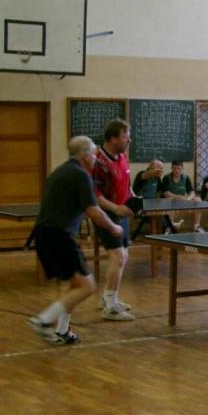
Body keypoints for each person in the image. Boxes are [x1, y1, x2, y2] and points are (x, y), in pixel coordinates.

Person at [28, 136, 124, 344]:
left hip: (44, 235)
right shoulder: (80, 175)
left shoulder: (61, 171)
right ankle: (43, 320)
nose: (95, 158)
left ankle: (62, 330)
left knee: (72, 285)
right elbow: (94, 211)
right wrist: (113, 227)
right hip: (59, 236)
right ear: (84, 155)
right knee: (87, 286)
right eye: (93, 154)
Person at [93, 119, 136, 321]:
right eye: (125, 137)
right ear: (112, 138)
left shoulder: (122, 156)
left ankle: (109, 298)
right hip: (106, 214)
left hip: (121, 212)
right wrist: (116, 208)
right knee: (118, 258)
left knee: (123, 257)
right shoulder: (100, 162)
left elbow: (126, 184)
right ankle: (110, 308)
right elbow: (96, 195)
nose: (129, 140)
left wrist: (133, 199)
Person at [161, 160, 204, 232]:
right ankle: (169, 227)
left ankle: (197, 226)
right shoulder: (166, 178)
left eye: (179, 168)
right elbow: (166, 193)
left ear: (182, 169)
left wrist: (189, 199)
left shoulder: (186, 177)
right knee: (168, 200)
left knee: (198, 199)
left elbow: (192, 192)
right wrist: (180, 197)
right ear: (171, 168)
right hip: (171, 201)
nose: (177, 170)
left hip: (183, 201)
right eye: (175, 168)